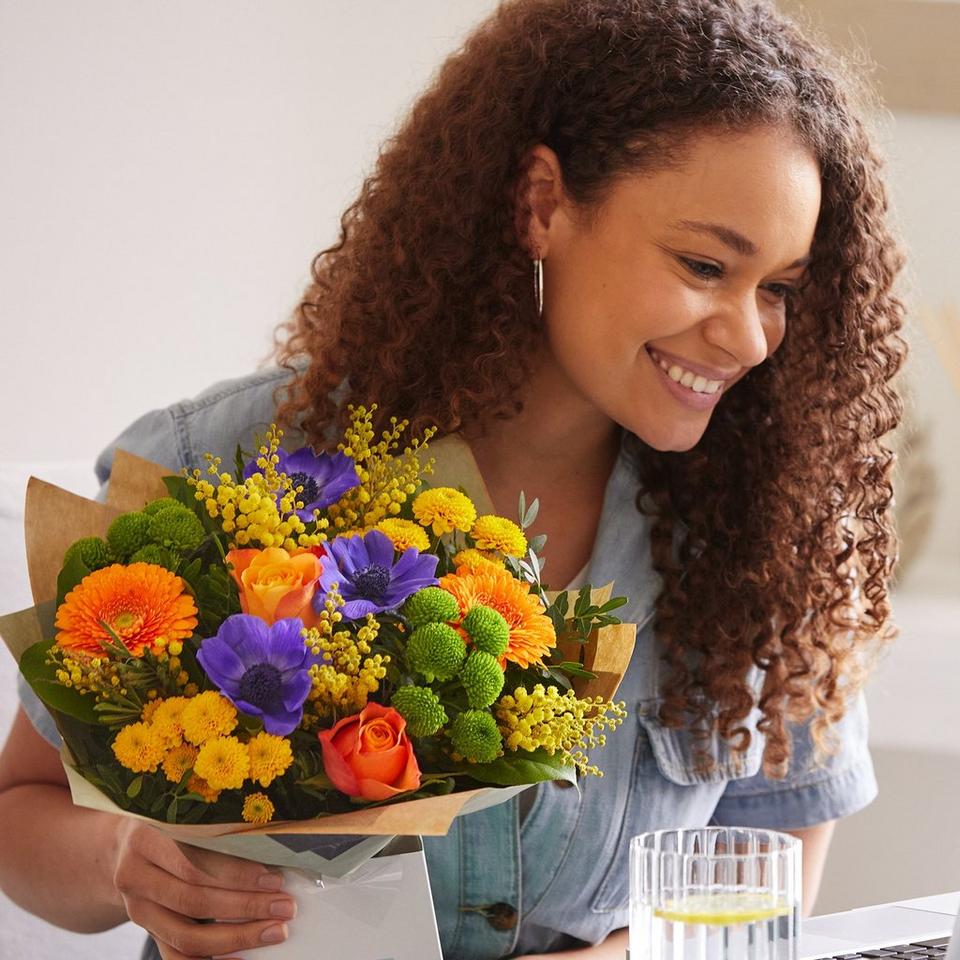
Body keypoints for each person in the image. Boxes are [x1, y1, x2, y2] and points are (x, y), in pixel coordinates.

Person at [0, 0, 906, 957]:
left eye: (778, 288)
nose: (748, 333)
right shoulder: (225, 462)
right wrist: (124, 859)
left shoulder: (767, 532)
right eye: (703, 263)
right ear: (544, 201)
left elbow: (767, 886)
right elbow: (21, 814)